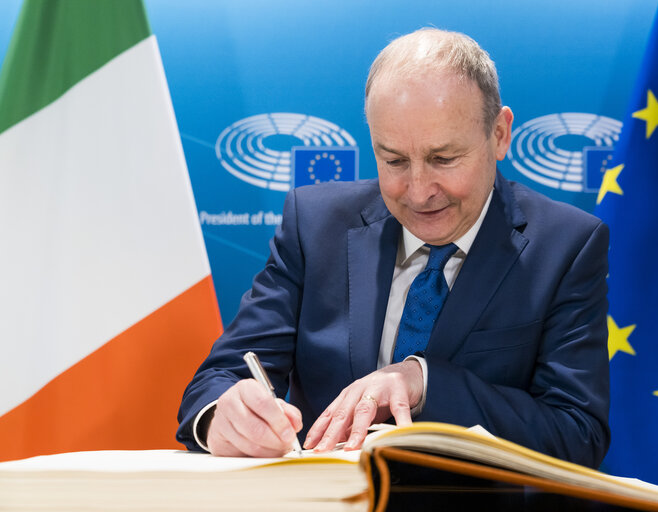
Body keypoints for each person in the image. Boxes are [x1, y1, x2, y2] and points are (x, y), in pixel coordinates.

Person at [177, 28, 610, 469]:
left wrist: (424, 382)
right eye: (394, 161)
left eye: (443, 159)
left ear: (499, 134)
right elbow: (216, 380)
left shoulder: (565, 245)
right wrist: (223, 415)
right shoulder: (315, 224)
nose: (419, 192)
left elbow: (578, 433)